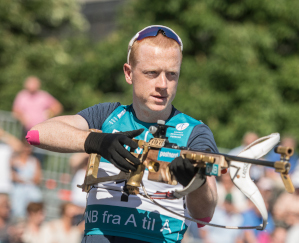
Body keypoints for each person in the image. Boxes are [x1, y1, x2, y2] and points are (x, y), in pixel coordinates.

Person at [27, 25, 218, 243]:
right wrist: (95, 140)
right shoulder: (107, 115)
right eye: (151, 73)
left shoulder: (195, 132)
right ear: (129, 73)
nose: (163, 85)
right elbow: (36, 133)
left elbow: (204, 214)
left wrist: (196, 183)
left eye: (171, 74)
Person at [10, 140, 42, 219]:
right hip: (18, 190)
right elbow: (13, 176)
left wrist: (23, 180)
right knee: (17, 211)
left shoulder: (34, 161)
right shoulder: (14, 160)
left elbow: (37, 179)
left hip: (30, 190)